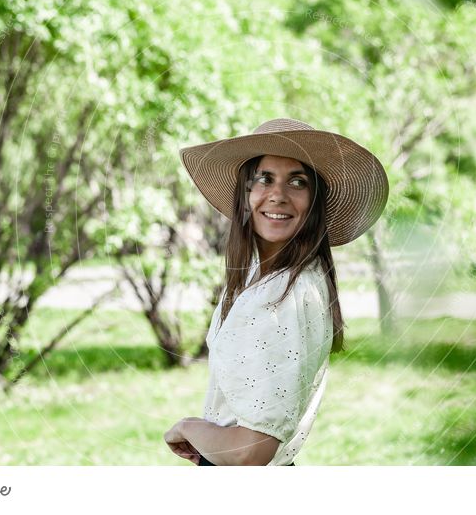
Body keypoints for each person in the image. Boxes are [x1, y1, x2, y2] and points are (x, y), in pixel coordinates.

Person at [164, 117, 388, 466]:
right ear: (245, 194)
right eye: (264, 179)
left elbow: (250, 452)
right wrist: (214, 445)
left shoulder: (282, 295)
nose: (278, 195)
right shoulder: (266, 277)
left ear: (314, 202)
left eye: (297, 182)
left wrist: (190, 428)